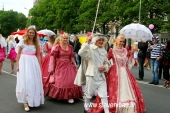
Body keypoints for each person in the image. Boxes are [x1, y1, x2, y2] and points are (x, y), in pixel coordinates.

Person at [91, 34, 145, 113]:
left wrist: (131, 54)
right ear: (116, 41)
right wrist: (103, 67)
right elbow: (105, 60)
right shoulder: (112, 50)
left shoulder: (126, 50)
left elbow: (128, 62)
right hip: (114, 72)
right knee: (111, 91)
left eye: (123, 42)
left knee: (129, 90)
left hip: (125, 72)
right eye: (120, 41)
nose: (121, 43)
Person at [76, 34, 110, 113]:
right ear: (95, 40)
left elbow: (107, 63)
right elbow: (81, 53)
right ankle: (86, 109)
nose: (101, 41)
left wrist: (105, 67)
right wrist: (87, 43)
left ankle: (107, 111)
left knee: (104, 95)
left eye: (102, 40)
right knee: (88, 94)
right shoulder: (90, 48)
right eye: (99, 40)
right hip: (92, 75)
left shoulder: (104, 50)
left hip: (101, 76)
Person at [47, 33, 82, 103]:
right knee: (60, 81)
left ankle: (69, 96)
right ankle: (59, 95)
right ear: (61, 39)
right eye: (64, 38)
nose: (65, 39)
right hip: (60, 65)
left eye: (67, 38)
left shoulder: (70, 47)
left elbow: (71, 57)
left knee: (70, 80)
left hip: (68, 64)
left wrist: (75, 64)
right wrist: (53, 67)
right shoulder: (57, 47)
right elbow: (54, 58)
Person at [16, 26, 44, 112]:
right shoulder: (22, 41)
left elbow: (38, 55)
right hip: (24, 63)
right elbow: (18, 54)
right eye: (30, 32)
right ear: (27, 33)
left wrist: (39, 65)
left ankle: (32, 100)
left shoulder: (36, 43)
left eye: (33, 33)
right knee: (25, 81)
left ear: (35, 34)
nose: (31, 34)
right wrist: (18, 65)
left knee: (34, 81)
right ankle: (25, 102)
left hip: (33, 62)